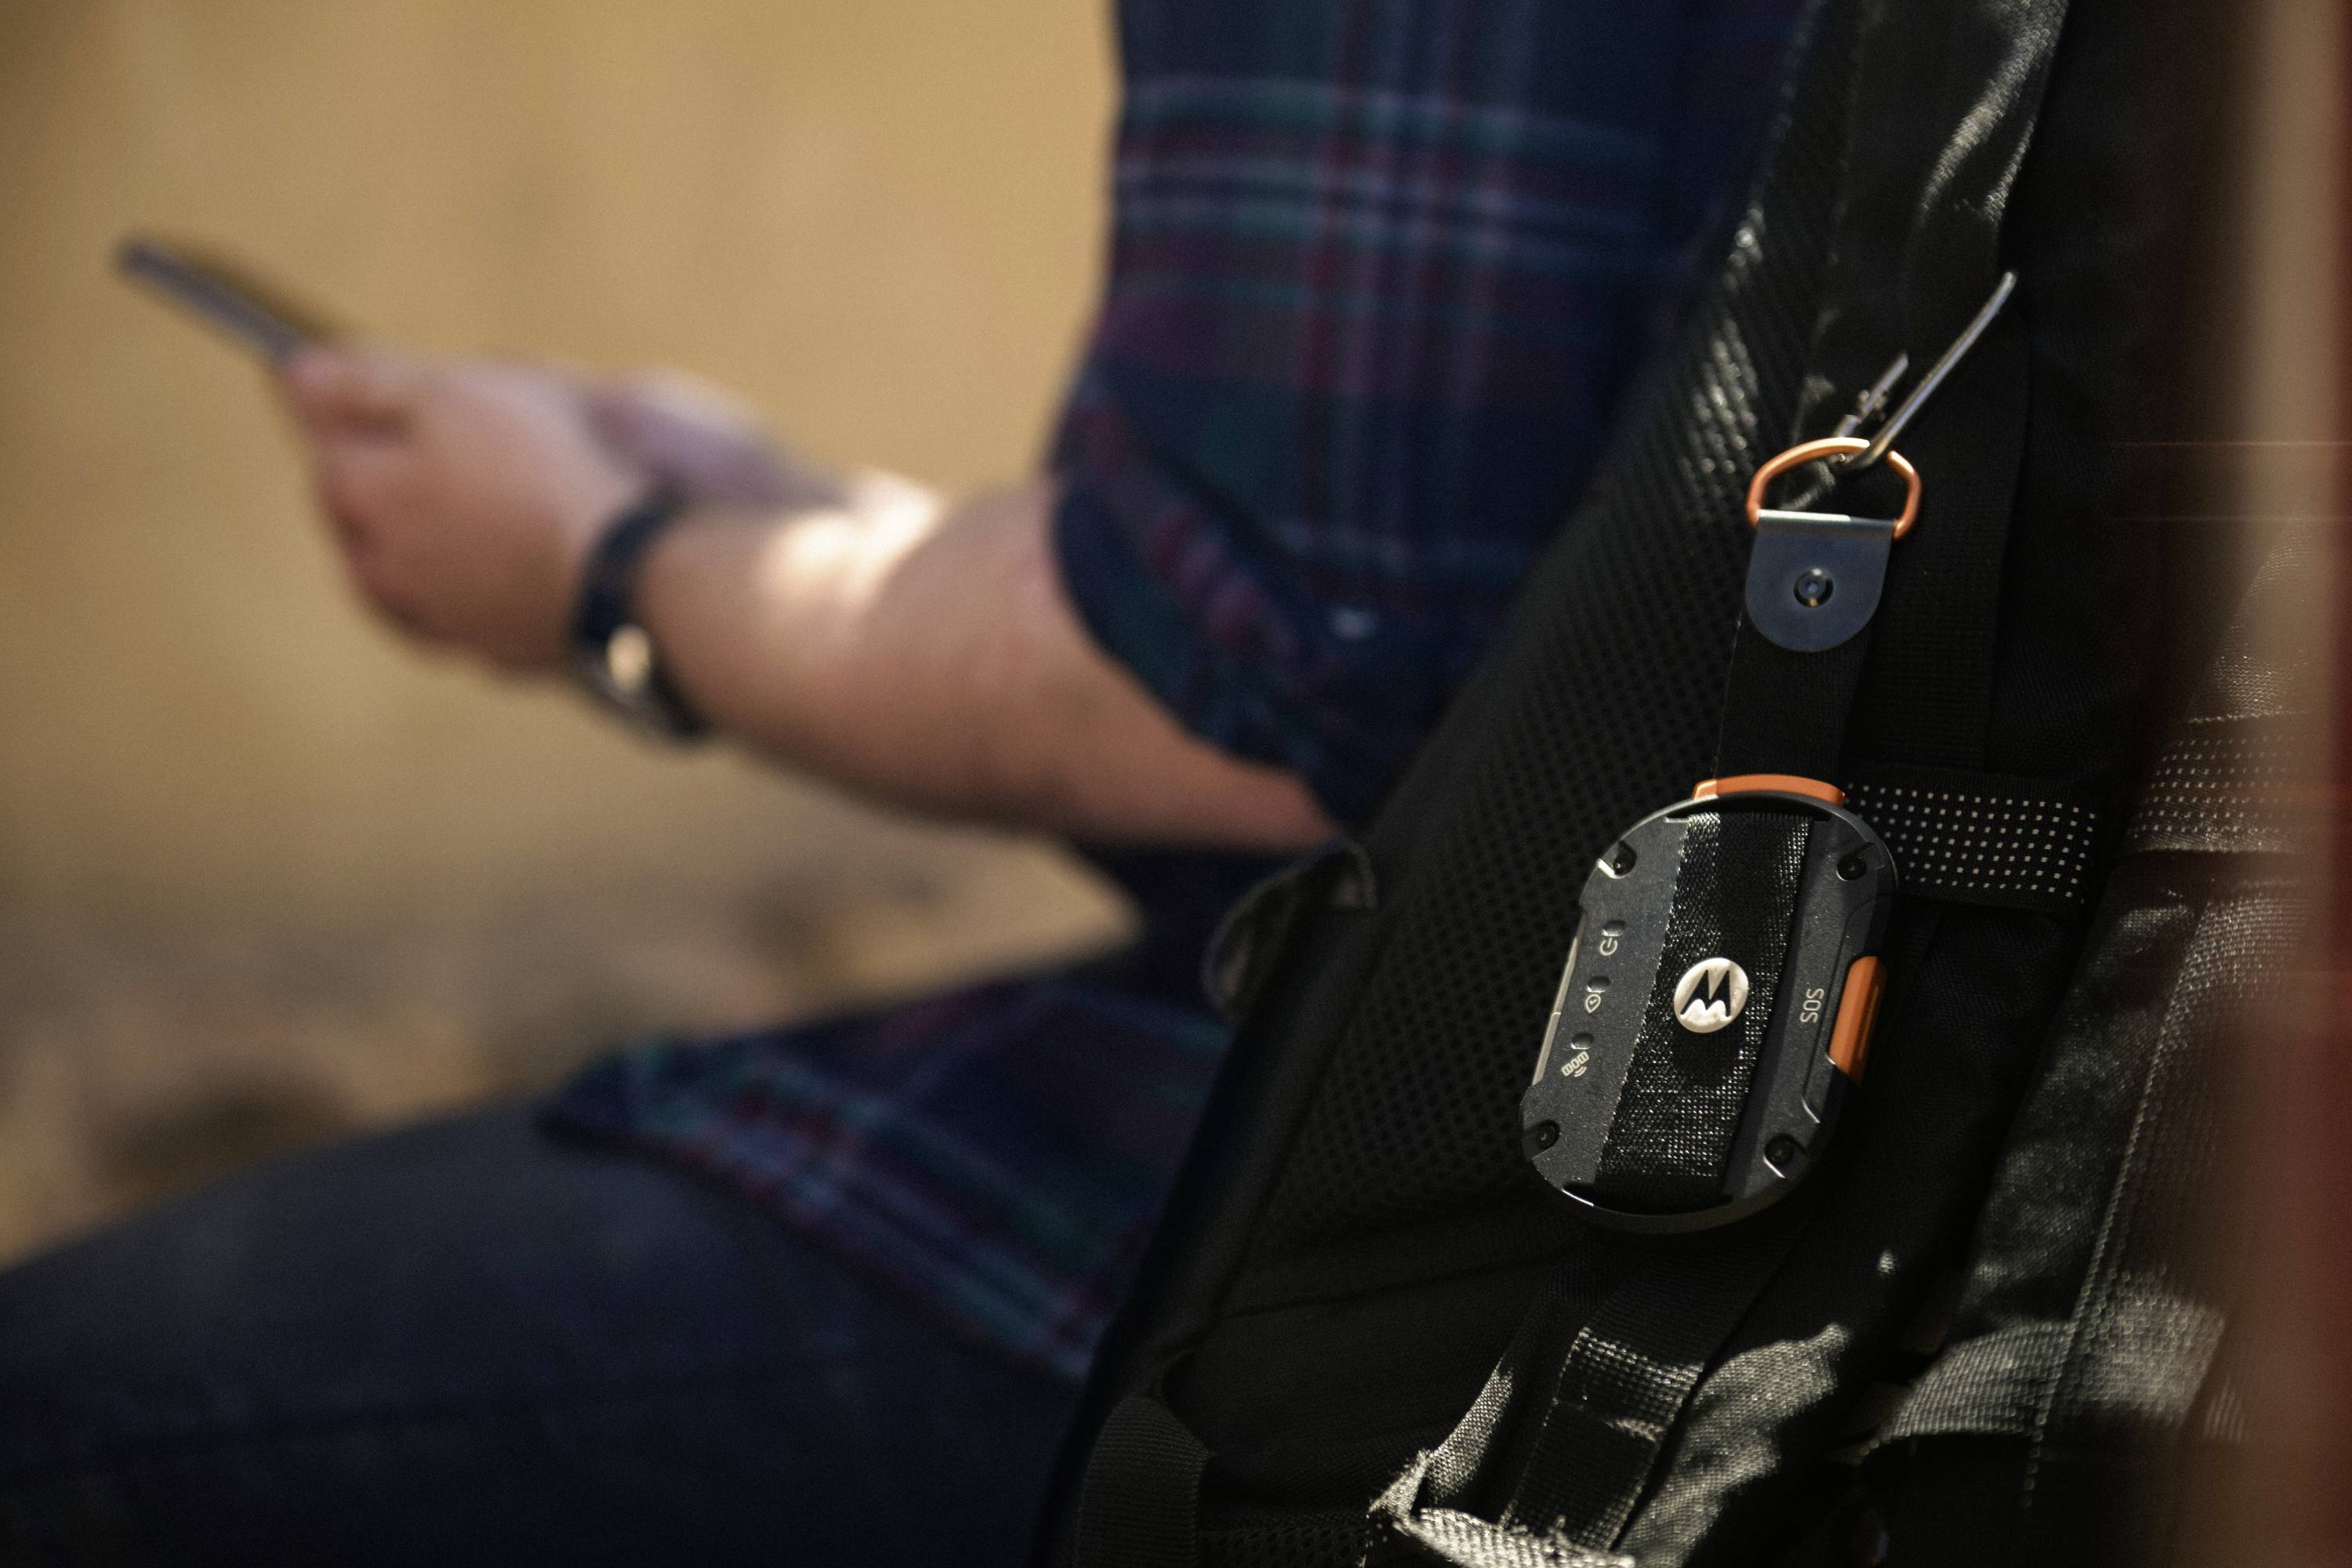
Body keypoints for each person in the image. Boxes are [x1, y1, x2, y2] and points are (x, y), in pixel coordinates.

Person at [0, 4, 1802, 1563]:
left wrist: (614, 573)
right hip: (1727, 1086)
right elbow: (1434, 604)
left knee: (70, 1408)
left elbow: (1249, 684)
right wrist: (769, 529)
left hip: (1480, 1212)